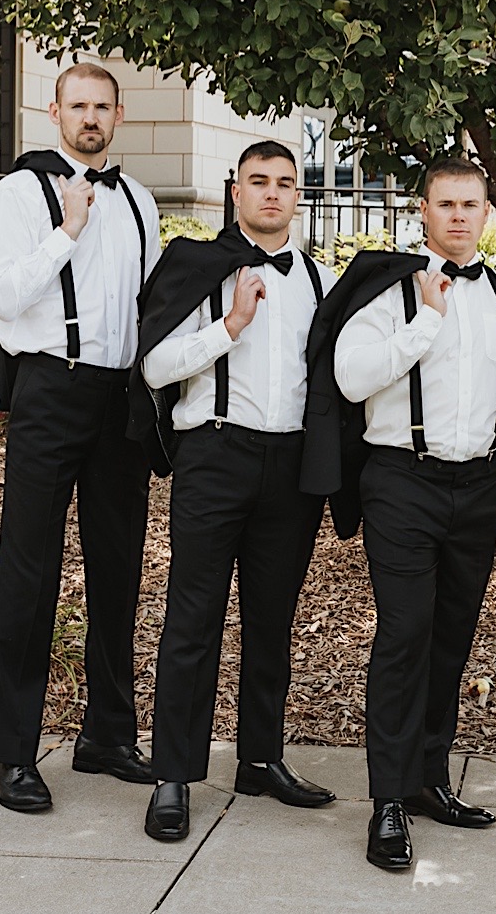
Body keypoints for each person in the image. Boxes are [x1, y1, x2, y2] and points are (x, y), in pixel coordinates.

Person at [331, 157, 496, 871]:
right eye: (445, 204)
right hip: (401, 479)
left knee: (451, 635)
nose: (457, 216)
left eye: (470, 205)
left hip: (479, 486)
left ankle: (427, 777)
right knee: (404, 631)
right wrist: (423, 324)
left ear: (487, 214)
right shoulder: (388, 290)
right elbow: (350, 376)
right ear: (423, 210)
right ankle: (386, 797)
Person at [138, 141, 336, 841]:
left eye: (286, 183)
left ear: (299, 196)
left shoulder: (319, 279)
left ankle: (261, 758)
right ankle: (173, 774)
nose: (273, 194)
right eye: (259, 181)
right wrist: (229, 326)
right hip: (214, 456)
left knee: (272, 622)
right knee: (192, 618)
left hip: (290, 469)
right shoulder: (198, 266)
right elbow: (156, 366)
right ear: (235, 191)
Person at [0, 62, 160, 812]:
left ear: (118, 115)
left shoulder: (143, 200)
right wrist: (68, 228)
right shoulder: (21, 193)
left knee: (117, 569)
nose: (90, 117)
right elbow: (5, 296)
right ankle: (15, 754)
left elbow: (152, 303)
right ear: (53, 110)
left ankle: (107, 735)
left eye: (102, 106)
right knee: (30, 571)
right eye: (77, 105)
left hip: (119, 398)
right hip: (50, 389)